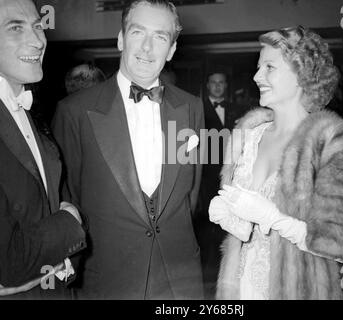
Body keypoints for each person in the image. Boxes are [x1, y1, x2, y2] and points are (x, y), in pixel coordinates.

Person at [209, 26, 343, 300]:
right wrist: (229, 216)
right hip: (239, 289)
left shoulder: (335, 143)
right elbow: (245, 231)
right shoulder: (249, 135)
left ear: (303, 73)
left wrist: (275, 219)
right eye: (258, 67)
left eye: (269, 67)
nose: (257, 77)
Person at [52, 0, 204, 299]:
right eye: (138, 33)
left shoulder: (192, 107)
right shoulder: (74, 111)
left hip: (179, 281)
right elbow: (67, 199)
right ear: (121, 38)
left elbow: (192, 194)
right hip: (106, 281)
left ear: (172, 49)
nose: (147, 48)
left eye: (160, 37)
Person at [0, 0, 86, 299]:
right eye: (15, 27)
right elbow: (8, 264)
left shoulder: (30, 109)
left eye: (38, 25)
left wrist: (61, 264)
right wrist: (72, 221)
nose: (38, 40)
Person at [196, 71, 247, 298]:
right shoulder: (196, 109)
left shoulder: (237, 109)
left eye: (221, 83)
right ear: (207, 85)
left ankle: (226, 273)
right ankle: (206, 275)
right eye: (213, 82)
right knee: (206, 226)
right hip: (205, 177)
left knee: (228, 224)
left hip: (230, 176)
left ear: (226, 85)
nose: (217, 87)